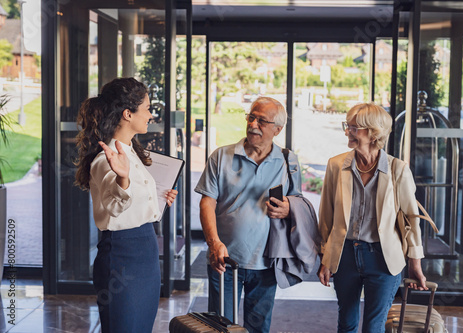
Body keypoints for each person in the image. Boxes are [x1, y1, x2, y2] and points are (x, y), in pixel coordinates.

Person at [74, 77, 177, 333]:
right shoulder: (106, 158)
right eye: (147, 108)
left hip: (145, 251)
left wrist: (159, 199)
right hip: (122, 255)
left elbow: (133, 202)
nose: (151, 115)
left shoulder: (131, 152)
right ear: (128, 114)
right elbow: (113, 206)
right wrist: (122, 177)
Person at [317, 103, 428, 333]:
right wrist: (325, 257)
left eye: (354, 127)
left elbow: (411, 218)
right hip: (345, 255)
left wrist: (415, 262)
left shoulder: (398, 170)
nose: (348, 131)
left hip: (383, 259)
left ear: (374, 133)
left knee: (373, 326)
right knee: (346, 323)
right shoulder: (336, 165)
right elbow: (326, 216)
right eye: (347, 126)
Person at [195, 97, 302, 333]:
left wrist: (288, 208)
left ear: (278, 129)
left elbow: (297, 202)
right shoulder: (221, 156)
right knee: (220, 328)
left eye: (262, 120)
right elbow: (207, 202)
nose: (253, 124)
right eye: (251, 117)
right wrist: (213, 244)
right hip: (224, 260)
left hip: (266, 262)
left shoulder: (288, 160)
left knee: (259, 328)